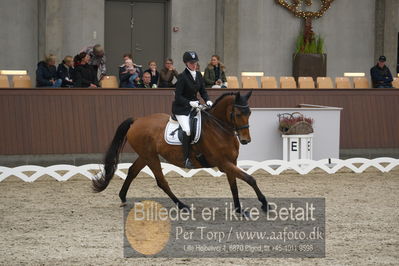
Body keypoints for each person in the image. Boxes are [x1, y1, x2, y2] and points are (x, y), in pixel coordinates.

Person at [172, 51, 213, 169]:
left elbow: (203, 91)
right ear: (186, 63)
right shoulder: (182, 77)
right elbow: (178, 96)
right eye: (191, 63)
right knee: (187, 130)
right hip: (182, 109)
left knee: (204, 126)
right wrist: (189, 103)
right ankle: (185, 159)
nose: (194, 65)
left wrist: (207, 100)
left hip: (195, 107)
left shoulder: (199, 75)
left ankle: (200, 153)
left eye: (195, 62)